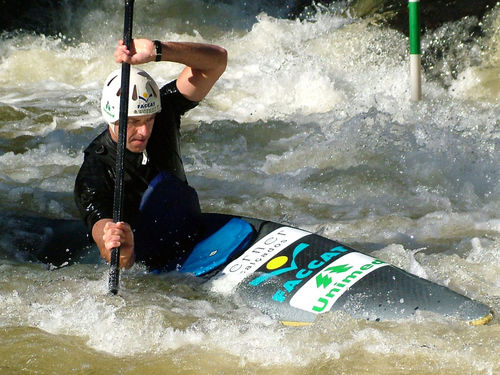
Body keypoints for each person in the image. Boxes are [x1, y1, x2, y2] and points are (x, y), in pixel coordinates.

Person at [74, 38, 227, 271]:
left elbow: (216, 62)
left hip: (189, 232)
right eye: (133, 122)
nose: (144, 131)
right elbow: (104, 237)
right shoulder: (94, 170)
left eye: (149, 120)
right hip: (148, 259)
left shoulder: (162, 111)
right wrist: (118, 248)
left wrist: (158, 51)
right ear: (112, 119)